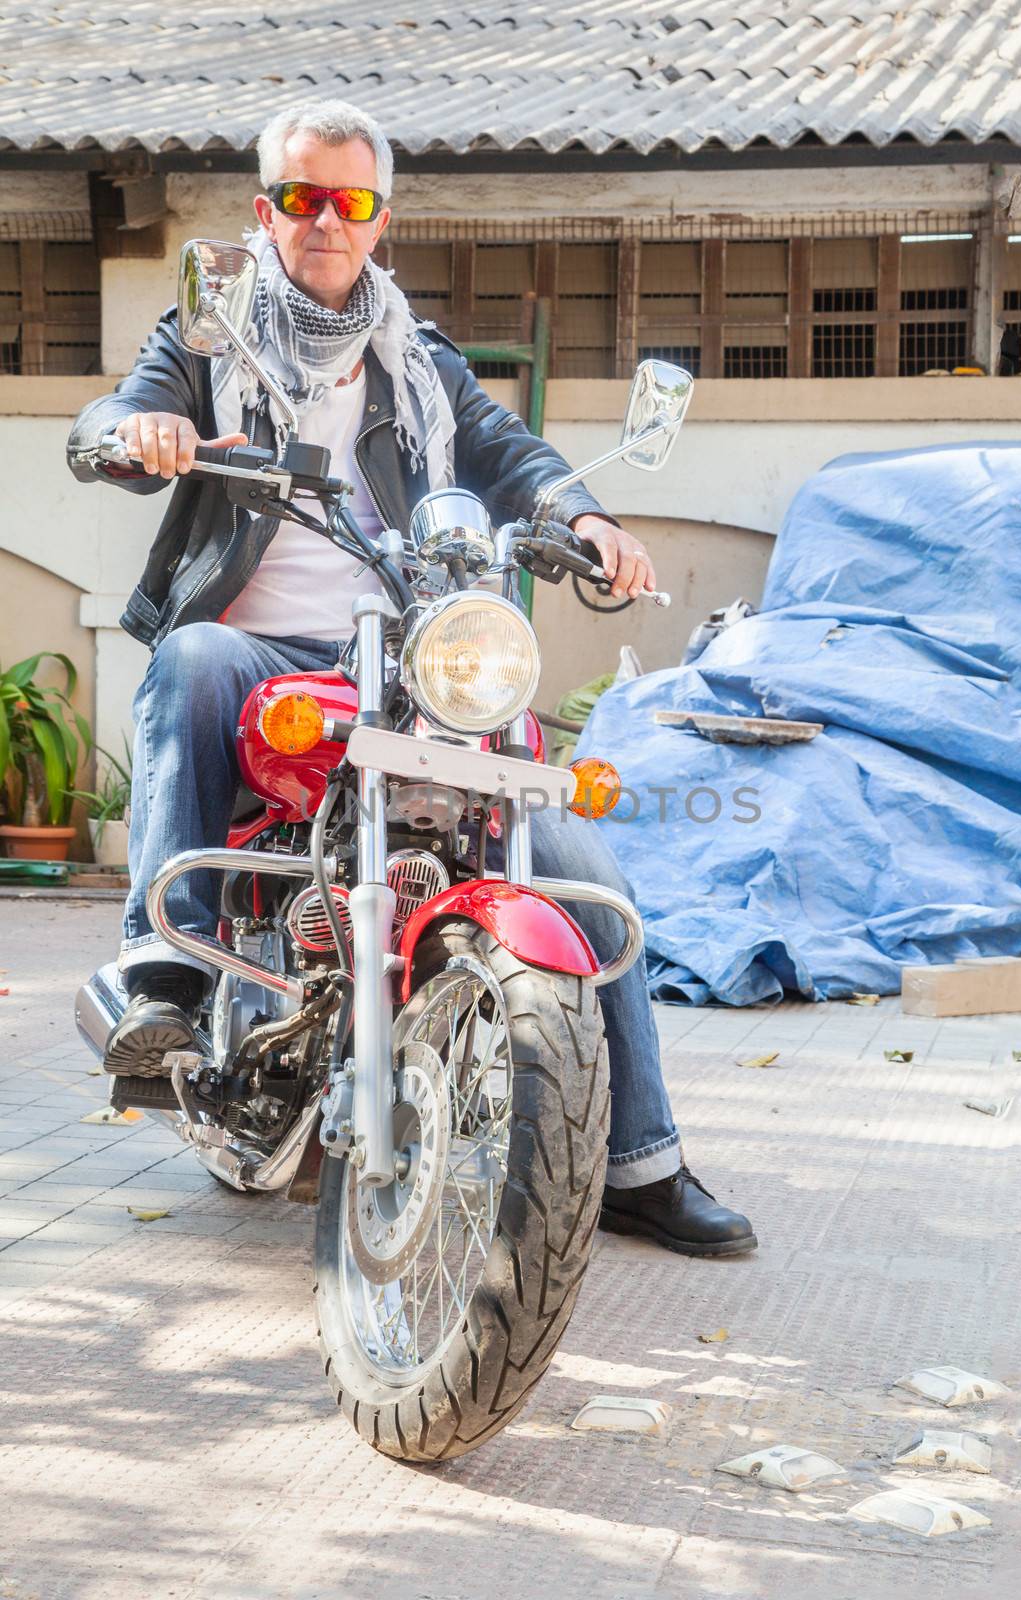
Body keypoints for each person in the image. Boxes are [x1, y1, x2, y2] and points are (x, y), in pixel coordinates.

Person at [67, 100, 756, 1259]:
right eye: (299, 198)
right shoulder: (208, 336)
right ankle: (167, 981)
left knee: (580, 859)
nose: (323, 220)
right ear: (265, 210)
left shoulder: (418, 358)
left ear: (381, 218)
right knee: (187, 660)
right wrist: (136, 434)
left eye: (348, 200)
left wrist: (582, 512)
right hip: (255, 648)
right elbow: (115, 412)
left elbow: (506, 453)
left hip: (406, 654)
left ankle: (637, 1158)